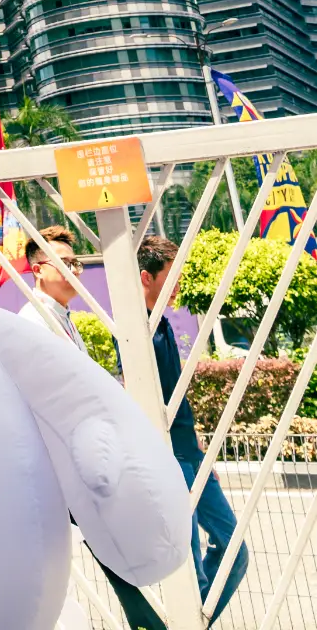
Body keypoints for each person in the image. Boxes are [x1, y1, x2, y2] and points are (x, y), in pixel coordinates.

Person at [20, 225, 169, 630]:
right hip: (55, 464)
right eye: (65, 264)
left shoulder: (64, 320)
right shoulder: (31, 323)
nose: (75, 272)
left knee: (103, 541)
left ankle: (146, 616)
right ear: (37, 269)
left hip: (74, 460)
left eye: (77, 264)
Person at [138, 235, 249, 624]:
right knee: (188, 568)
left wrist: (200, 453)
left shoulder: (163, 325)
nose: (178, 288)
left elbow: (175, 399)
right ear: (145, 278)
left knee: (234, 550)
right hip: (167, 457)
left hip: (190, 455)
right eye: (172, 278)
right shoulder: (136, 335)